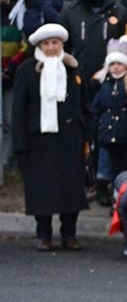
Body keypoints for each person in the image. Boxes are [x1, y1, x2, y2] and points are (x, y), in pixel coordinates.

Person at [12, 23, 89, 251]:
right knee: (41, 190)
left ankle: (69, 235)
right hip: (39, 141)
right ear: (39, 46)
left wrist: (87, 134)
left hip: (70, 139)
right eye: (47, 43)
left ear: (62, 44)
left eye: (55, 43)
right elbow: (19, 110)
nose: (52, 47)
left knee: (71, 189)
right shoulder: (26, 70)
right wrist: (20, 144)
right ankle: (43, 235)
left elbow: (85, 104)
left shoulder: (73, 68)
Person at [60, 0, 127, 87]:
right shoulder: (71, 12)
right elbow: (65, 46)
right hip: (79, 76)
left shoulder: (118, 11)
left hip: (110, 77)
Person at [90, 35, 127, 199]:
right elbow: (96, 108)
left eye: (119, 63)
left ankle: (121, 196)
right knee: (105, 167)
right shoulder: (103, 84)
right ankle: (104, 193)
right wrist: (93, 132)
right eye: (112, 64)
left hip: (126, 134)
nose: (116, 67)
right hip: (106, 134)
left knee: (125, 167)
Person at [1, 0, 25, 169]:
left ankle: (5, 161)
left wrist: (11, 66)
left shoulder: (18, 14)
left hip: (11, 75)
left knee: (9, 121)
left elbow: (24, 45)